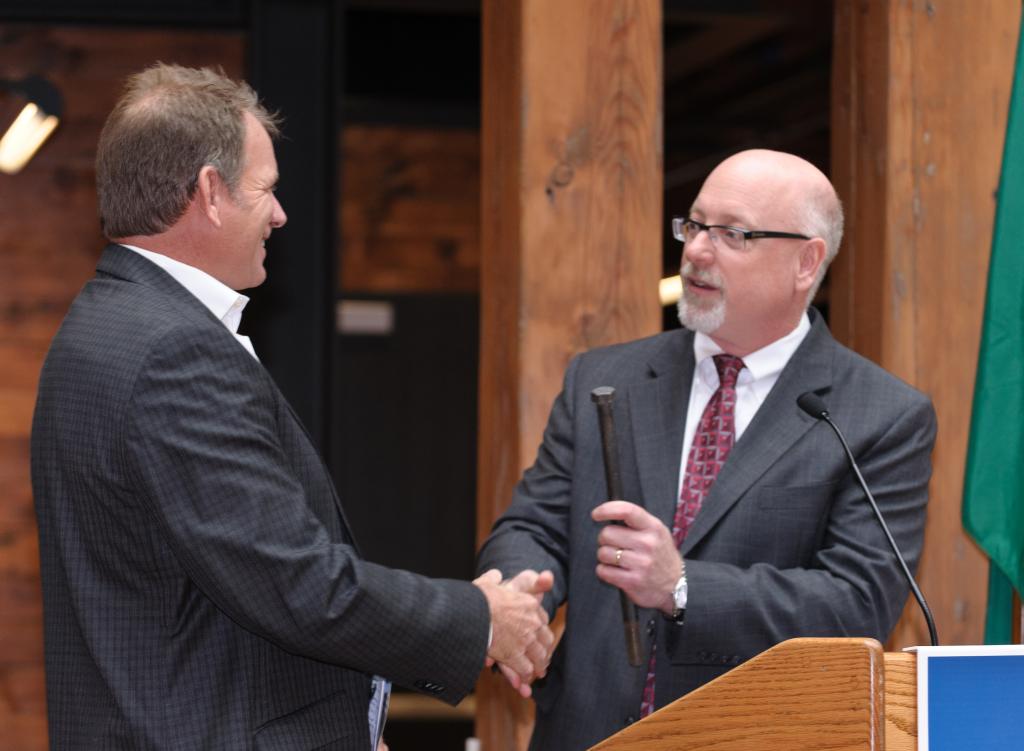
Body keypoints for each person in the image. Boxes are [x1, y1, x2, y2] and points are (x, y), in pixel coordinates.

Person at [31, 63, 553, 750]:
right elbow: (298, 585)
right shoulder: (170, 350)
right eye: (266, 189)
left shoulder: (106, 324)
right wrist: (480, 617)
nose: (279, 213)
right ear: (211, 193)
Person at [477, 149, 938, 750]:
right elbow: (534, 524)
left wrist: (684, 585)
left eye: (733, 234)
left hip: (750, 737)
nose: (696, 250)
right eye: (693, 225)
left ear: (807, 261)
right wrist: (519, 598)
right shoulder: (602, 378)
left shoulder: (878, 416)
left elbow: (856, 605)